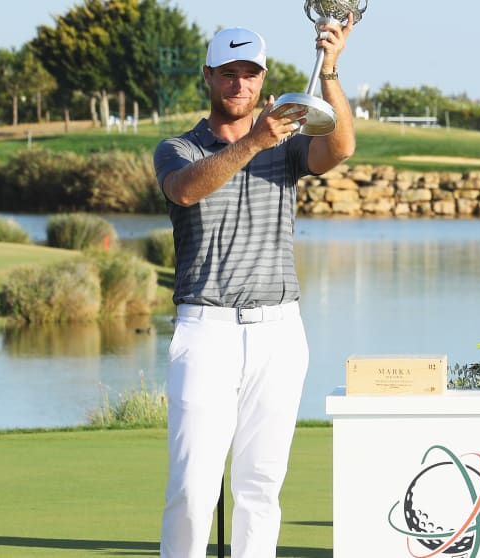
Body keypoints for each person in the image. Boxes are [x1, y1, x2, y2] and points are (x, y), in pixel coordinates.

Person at [152, 19, 355, 558]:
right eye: (228, 73)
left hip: (279, 332)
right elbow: (186, 190)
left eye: (249, 74)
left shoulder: (287, 150)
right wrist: (254, 141)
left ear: (263, 82)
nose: (238, 84)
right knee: (194, 488)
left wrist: (330, 69)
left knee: (260, 487)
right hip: (205, 331)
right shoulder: (178, 147)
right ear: (208, 77)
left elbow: (339, 148)